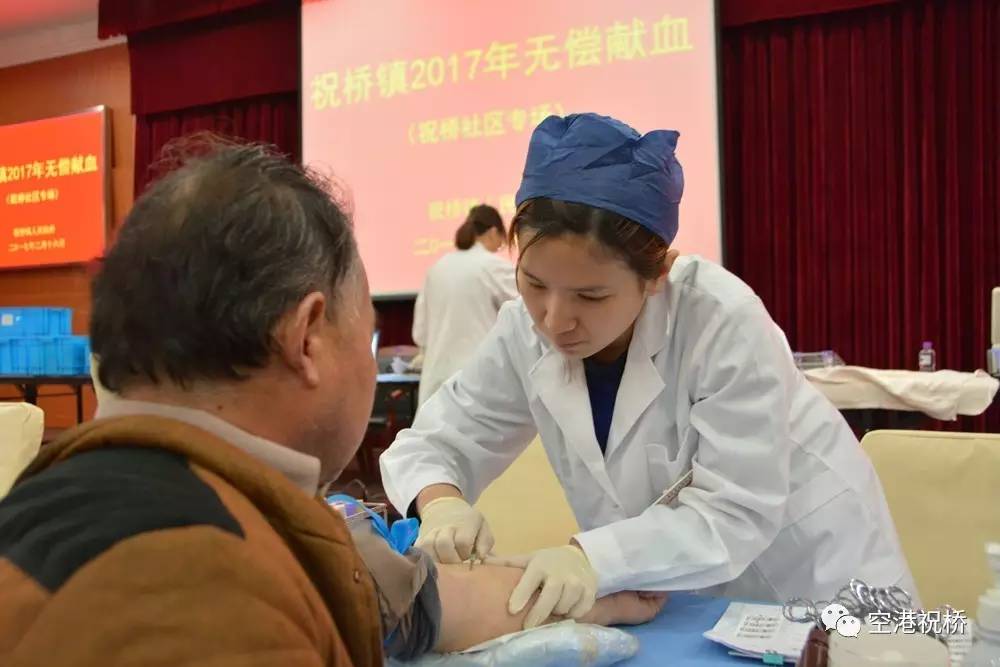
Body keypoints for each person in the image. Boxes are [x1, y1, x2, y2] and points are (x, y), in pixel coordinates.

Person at [0, 139, 665, 666]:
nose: (558, 318)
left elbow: (416, 598)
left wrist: (594, 594)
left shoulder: (66, 506)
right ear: (308, 337)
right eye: (365, 320)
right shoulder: (209, 594)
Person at [380, 113, 915, 631]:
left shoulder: (720, 321)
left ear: (658, 273)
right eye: (534, 283)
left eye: (591, 295)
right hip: (676, 603)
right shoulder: (523, 330)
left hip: (814, 580)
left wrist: (590, 557)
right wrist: (442, 502)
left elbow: (735, 512)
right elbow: (434, 443)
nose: (554, 319)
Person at [412, 204, 517, 405]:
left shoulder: (437, 268)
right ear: (493, 232)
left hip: (436, 381)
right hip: (479, 381)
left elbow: (420, 333)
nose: (499, 248)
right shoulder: (493, 266)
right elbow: (526, 312)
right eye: (501, 242)